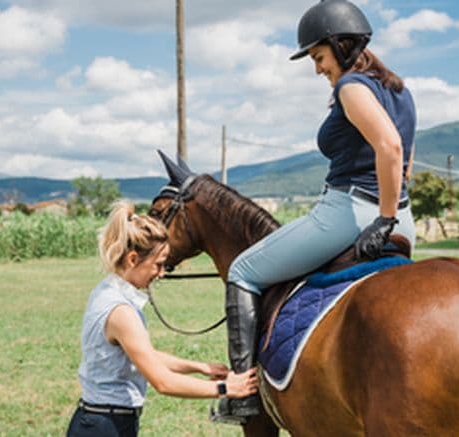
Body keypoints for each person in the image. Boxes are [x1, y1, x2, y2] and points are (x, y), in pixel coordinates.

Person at [218, 0, 417, 421]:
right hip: (404, 221)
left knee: (243, 270)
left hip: (351, 215)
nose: (318, 69)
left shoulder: (351, 87)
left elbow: (391, 147)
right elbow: (407, 161)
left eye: (319, 57)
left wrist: (381, 219)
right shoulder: (400, 91)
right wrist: (393, 216)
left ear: (341, 47)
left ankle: (243, 397)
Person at [66, 201, 258, 436]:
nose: (161, 273)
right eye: (157, 265)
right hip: (106, 426)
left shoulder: (106, 291)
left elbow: (144, 356)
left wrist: (198, 367)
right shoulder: (121, 312)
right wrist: (225, 388)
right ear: (133, 259)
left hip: (101, 421)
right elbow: (163, 382)